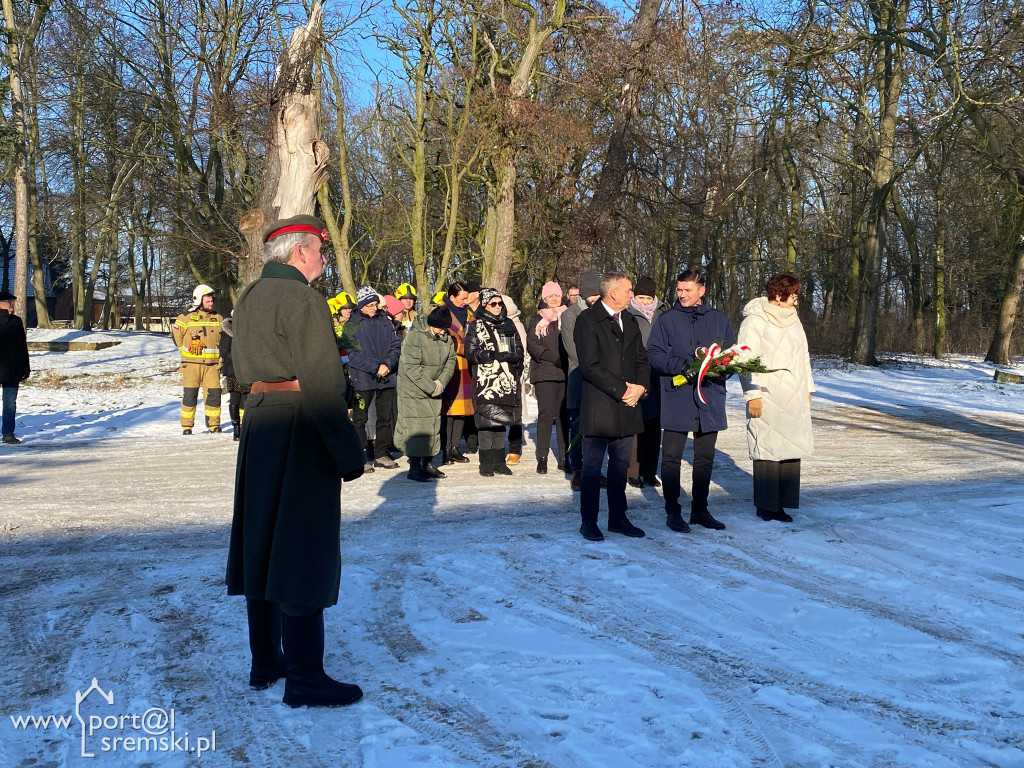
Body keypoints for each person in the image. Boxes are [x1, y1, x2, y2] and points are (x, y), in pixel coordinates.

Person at [226, 214, 365, 709]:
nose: (323, 262)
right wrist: (349, 452)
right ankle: (305, 676)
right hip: (299, 426)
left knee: (262, 543)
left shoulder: (249, 298)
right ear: (299, 253)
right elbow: (324, 385)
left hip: (260, 422)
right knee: (304, 548)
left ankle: (266, 662)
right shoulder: (302, 299)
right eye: (320, 253)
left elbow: (239, 369)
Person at [647, 267, 736, 533]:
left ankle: (700, 509)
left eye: (687, 290)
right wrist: (681, 365)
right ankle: (673, 511)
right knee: (672, 457)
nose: (682, 294)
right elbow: (653, 354)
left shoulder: (719, 320)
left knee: (704, 458)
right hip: (677, 396)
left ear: (702, 291)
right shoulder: (666, 319)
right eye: (679, 290)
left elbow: (733, 353)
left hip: (709, 397)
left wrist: (724, 369)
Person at [575, 272, 650, 541]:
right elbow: (590, 365)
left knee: (620, 468)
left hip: (628, 406)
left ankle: (618, 518)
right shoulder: (587, 320)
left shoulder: (629, 319)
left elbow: (642, 358)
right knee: (593, 469)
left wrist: (640, 388)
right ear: (614, 293)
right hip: (600, 408)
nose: (632, 294)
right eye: (629, 290)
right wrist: (623, 390)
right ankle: (589, 522)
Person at [738, 274, 815, 523]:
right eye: (793, 295)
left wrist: (808, 389)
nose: (796, 301)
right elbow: (745, 360)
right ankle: (767, 505)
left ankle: (784, 501)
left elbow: (803, 356)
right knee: (768, 450)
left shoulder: (794, 321)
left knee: (790, 447)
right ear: (779, 295)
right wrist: (753, 395)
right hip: (768, 395)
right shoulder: (755, 321)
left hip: (793, 395)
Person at [465, 288, 524, 477]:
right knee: (486, 423)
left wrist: (512, 356)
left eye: (500, 303)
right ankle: (485, 462)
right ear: (485, 305)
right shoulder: (476, 326)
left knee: (500, 422)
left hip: (505, 379)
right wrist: (488, 355)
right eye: (493, 303)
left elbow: (518, 350)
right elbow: (470, 352)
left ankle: (499, 461)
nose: (498, 307)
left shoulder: (507, 324)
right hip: (486, 381)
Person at [394, 306, 456, 482]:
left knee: (433, 425)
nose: (442, 332)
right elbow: (411, 367)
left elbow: (450, 361)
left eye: (445, 329)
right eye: (439, 328)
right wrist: (430, 386)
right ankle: (414, 467)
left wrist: (441, 382)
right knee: (417, 427)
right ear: (430, 325)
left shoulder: (446, 337)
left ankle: (428, 464)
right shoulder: (414, 336)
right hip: (413, 389)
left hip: (435, 387)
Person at [347, 285, 402, 470]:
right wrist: (375, 367)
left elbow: (396, 345)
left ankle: (381, 453)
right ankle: (360, 455)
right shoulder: (350, 325)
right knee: (360, 419)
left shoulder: (385, 321)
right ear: (361, 306)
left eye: (375, 304)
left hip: (387, 377)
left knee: (385, 418)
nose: (374, 308)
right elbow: (353, 355)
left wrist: (388, 364)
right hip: (362, 380)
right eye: (370, 305)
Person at [625, 276, 669, 487]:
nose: (643, 302)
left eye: (647, 297)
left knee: (653, 426)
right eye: (640, 297)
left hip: (658, 375)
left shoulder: (663, 312)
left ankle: (650, 471)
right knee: (635, 425)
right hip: (634, 374)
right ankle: (633, 471)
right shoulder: (627, 313)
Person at [561, 270, 602, 491]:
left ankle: (595, 469)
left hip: (602, 381)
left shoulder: (604, 313)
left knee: (598, 429)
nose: (596, 299)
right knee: (577, 427)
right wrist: (598, 368)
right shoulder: (569, 316)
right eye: (592, 295)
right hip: (580, 378)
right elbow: (573, 350)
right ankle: (577, 471)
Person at [527, 281, 568, 474]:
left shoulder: (568, 316)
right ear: (544, 298)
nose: (554, 298)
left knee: (563, 418)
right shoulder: (537, 320)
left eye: (557, 295)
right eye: (550, 295)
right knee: (545, 416)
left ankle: (564, 457)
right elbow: (533, 345)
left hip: (566, 373)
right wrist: (554, 358)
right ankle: (542, 457)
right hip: (544, 372)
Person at [171, 284, 223, 434]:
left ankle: (214, 425)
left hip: (212, 366)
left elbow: (225, 340)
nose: (211, 303)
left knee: (214, 395)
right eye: (208, 301)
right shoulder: (186, 317)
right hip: (192, 365)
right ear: (199, 301)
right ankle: (187, 426)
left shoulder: (218, 318)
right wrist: (185, 351)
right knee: (190, 395)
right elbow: (176, 336)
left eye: (212, 300)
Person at [441, 281, 474, 464]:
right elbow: (446, 339)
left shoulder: (470, 315)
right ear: (452, 297)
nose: (465, 301)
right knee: (448, 410)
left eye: (466, 298)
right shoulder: (442, 312)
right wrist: (467, 346)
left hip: (466, 366)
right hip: (449, 365)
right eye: (462, 298)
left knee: (461, 410)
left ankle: (455, 448)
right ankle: (445, 449)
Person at [502, 294, 529, 465]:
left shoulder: (512, 325)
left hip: (511, 374)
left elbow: (515, 353)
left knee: (514, 413)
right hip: (499, 374)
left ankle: (514, 447)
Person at [0, 290, 29, 444]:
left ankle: (8, 434)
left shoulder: (17, 321)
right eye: (8, 301)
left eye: (13, 301)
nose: (12, 304)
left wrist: (25, 367)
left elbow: (22, 347)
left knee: (10, 404)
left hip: (12, 371)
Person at [219, 313, 250, 441]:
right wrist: (239, 360)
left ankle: (244, 426)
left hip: (246, 370)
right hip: (233, 370)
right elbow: (224, 351)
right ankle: (236, 427)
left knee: (245, 398)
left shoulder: (248, 331)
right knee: (235, 398)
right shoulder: (227, 333)